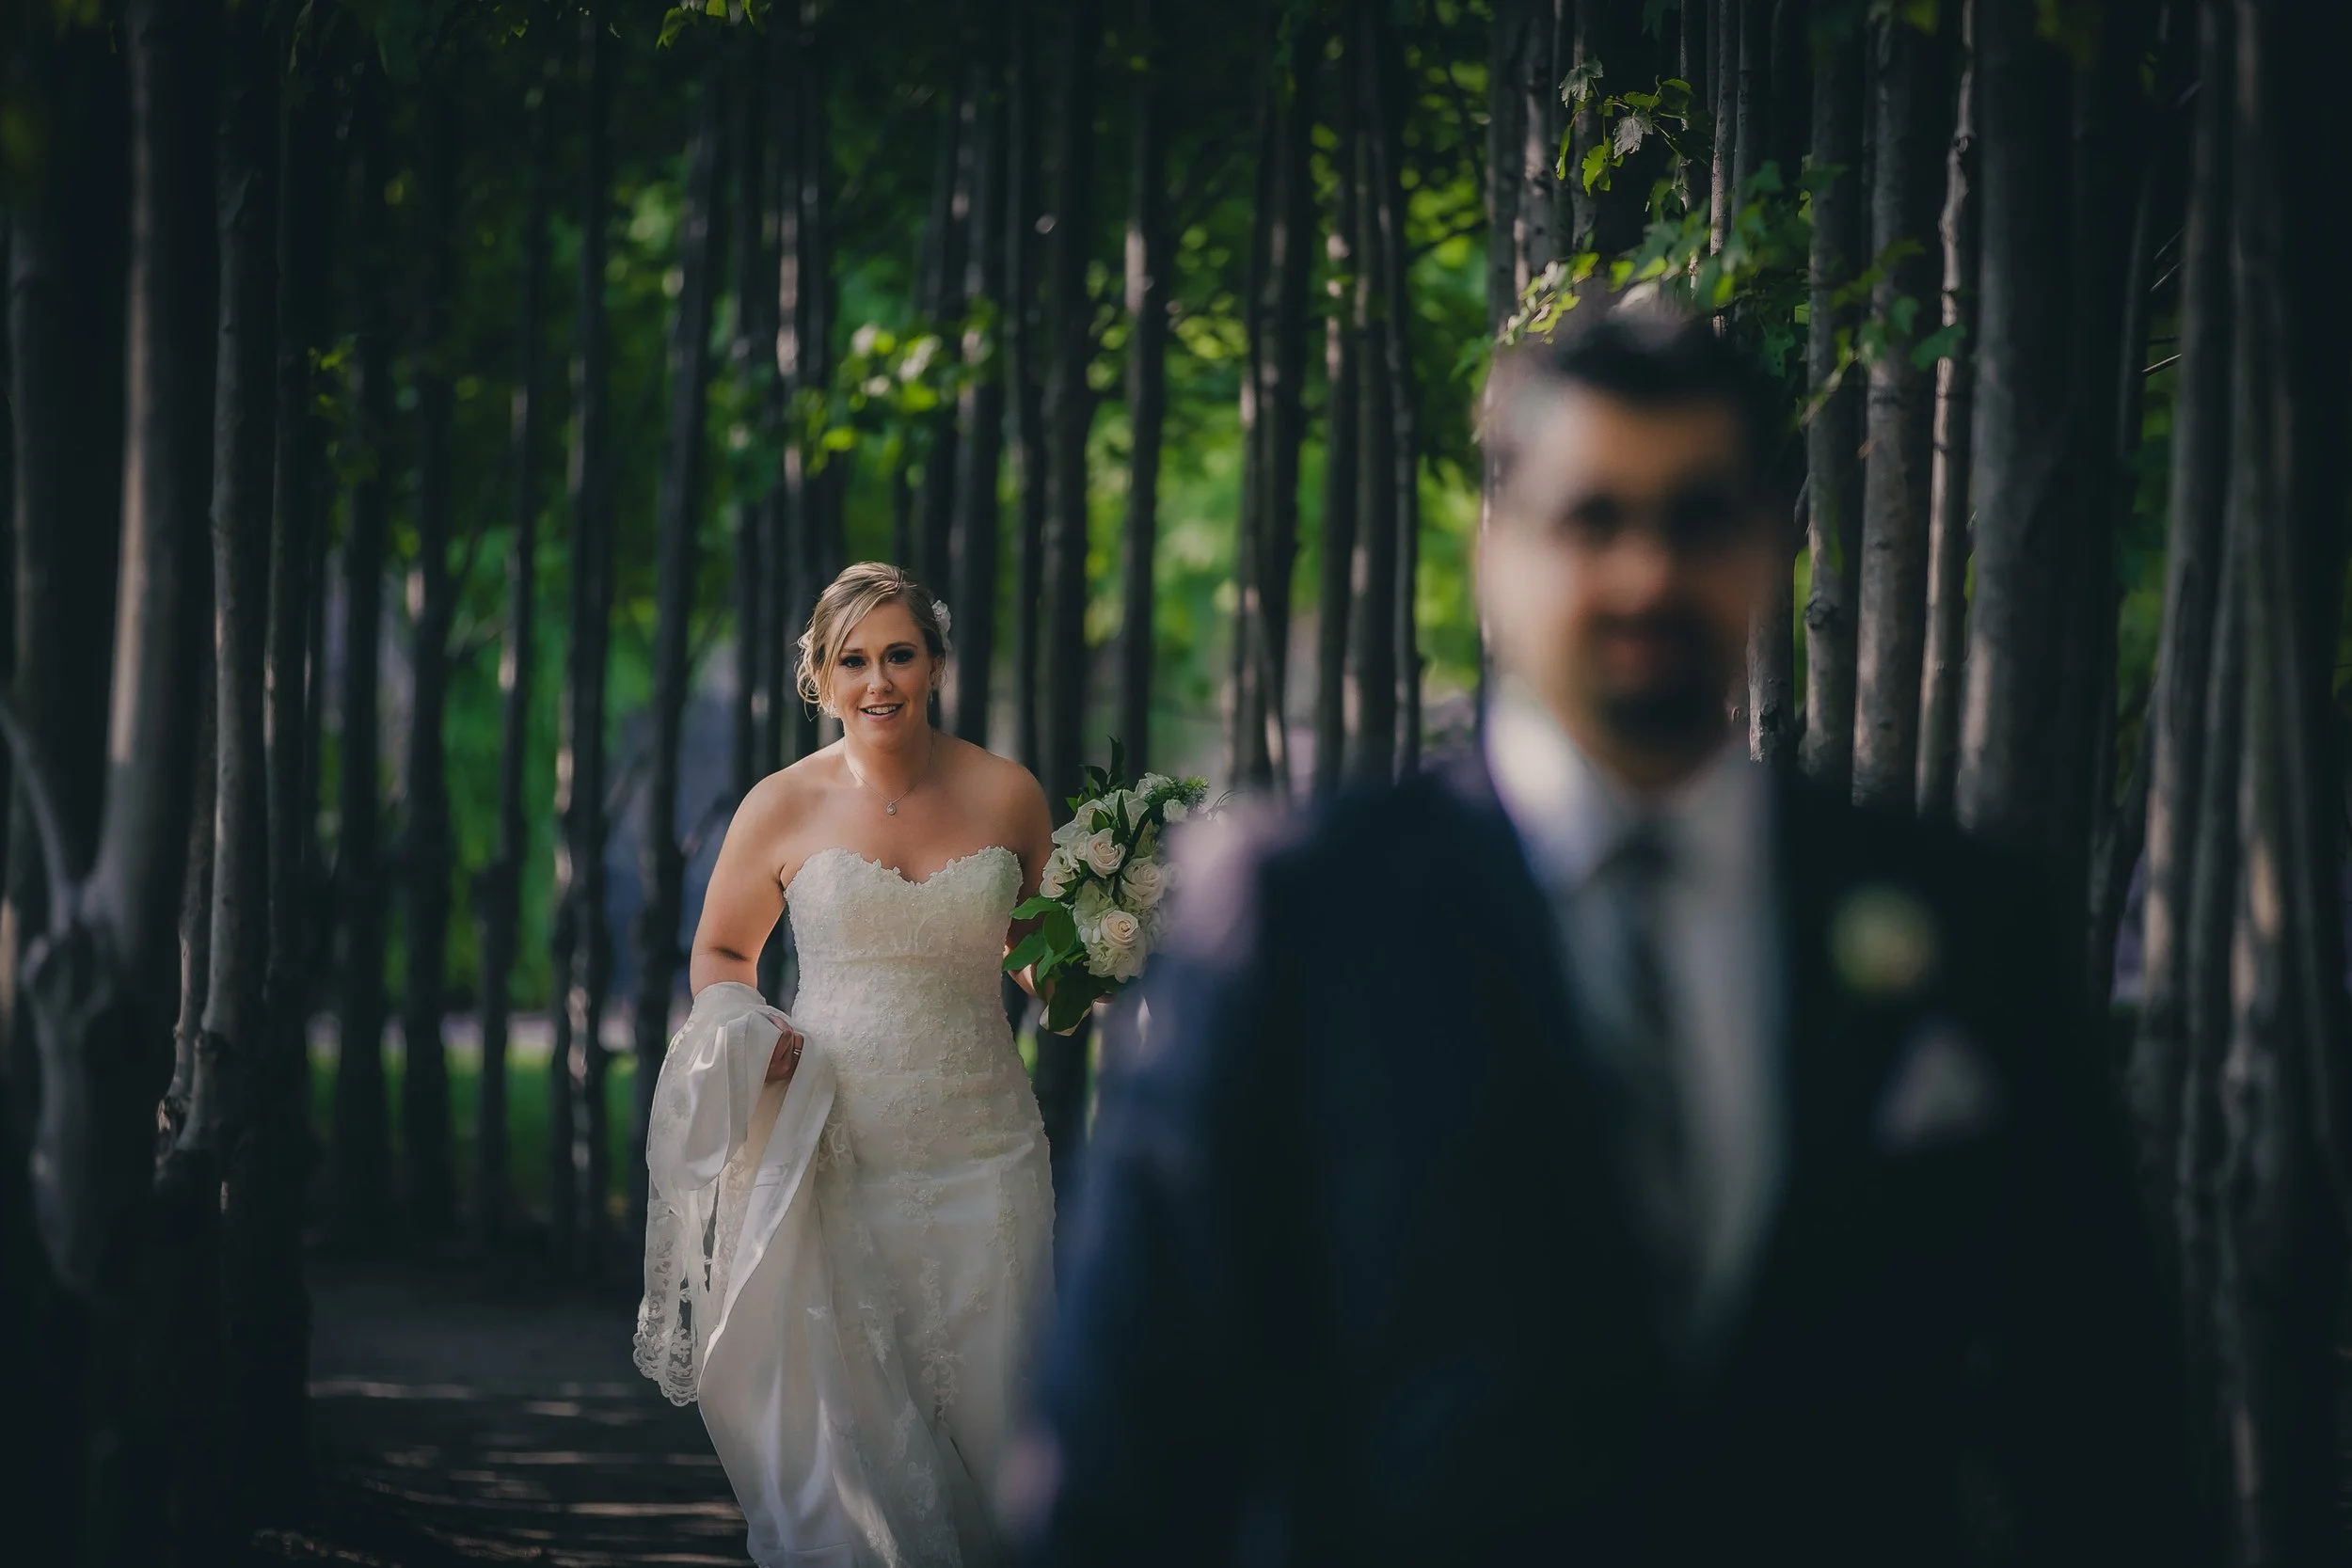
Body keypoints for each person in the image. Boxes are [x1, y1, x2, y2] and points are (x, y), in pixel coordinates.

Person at [1012, 305, 2189, 1566]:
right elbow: (1124, 1436)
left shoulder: (1963, 919)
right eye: (1593, 520)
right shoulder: (1298, 912)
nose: (1646, 574)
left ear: (1768, 546)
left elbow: (2098, 1414)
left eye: (1696, 517)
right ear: (1498, 553)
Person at [635, 562, 1058, 1568]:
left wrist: (1107, 961)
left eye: (900, 654)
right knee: (861, 1432)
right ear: (818, 679)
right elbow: (722, 953)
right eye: (853, 659)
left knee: (1002, 1409)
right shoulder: (778, 805)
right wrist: (745, 1027)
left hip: (987, 1145)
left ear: (936, 664)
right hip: (836, 1144)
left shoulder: (1008, 791)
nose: (879, 681)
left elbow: (1035, 953)